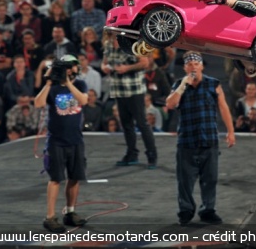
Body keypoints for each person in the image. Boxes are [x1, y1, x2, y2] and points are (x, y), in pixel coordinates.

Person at [166, 51, 235, 226]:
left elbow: (223, 107)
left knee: (210, 178)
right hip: (187, 141)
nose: (193, 67)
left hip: (209, 139)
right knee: (185, 180)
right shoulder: (179, 85)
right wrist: (182, 85)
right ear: (185, 68)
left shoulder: (213, 84)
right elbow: (170, 104)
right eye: (189, 65)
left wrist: (230, 131)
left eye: (196, 64)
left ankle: (208, 210)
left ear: (202, 66)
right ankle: (186, 210)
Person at [34, 54, 88, 233]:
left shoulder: (79, 85)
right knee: (55, 179)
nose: (72, 69)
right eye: (69, 66)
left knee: (74, 178)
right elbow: (38, 103)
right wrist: (49, 82)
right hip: (56, 141)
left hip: (75, 140)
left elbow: (83, 100)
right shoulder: (53, 88)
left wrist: (68, 82)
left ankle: (70, 212)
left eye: (73, 66)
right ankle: (50, 217)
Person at [101, 34, 157, 168]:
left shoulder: (132, 43)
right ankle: (132, 154)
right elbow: (104, 62)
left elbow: (145, 62)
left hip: (134, 89)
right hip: (119, 89)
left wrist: (127, 68)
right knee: (126, 124)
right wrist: (104, 67)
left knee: (142, 123)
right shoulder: (108, 45)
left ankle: (152, 155)